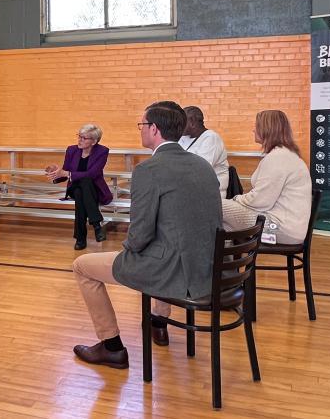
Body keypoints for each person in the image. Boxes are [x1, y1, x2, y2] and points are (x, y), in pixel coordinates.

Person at [71, 101, 222, 369]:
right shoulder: (202, 165)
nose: (140, 130)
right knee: (165, 247)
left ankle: (112, 347)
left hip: (172, 269)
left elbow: (139, 236)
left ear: (154, 129)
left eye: (142, 124)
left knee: (83, 266)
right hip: (207, 268)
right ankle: (158, 322)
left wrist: (128, 249)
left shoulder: (148, 170)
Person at [222, 110, 311, 244]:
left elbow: (260, 201)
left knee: (215, 204)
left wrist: (236, 199)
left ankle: (214, 262)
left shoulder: (278, 158)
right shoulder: (285, 154)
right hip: (288, 229)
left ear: (267, 129)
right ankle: (226, 263)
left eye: (257, 126)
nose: (253, 130)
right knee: (224, 224)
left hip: (279, 231)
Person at [46, 124, 112, 250]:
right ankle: (96, 224)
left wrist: (68, 173)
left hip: (93, 189)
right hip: (75, 187)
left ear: (94, 141)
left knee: (84, 188)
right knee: (82, 185)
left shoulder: (102, 151)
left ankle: (81, 239)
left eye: (84, 138)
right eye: (79, 136)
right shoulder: (71, 150)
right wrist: (55, 173)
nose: (79, 140)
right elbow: (66, 172)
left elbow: (93, 174)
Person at [178, 106, 230, 198]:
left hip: (210, 195)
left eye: (181, 122)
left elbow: (200, 170)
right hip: (188, 190)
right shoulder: (183, 138)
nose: (178, 125)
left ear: (192, 122)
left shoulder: (211, 138)